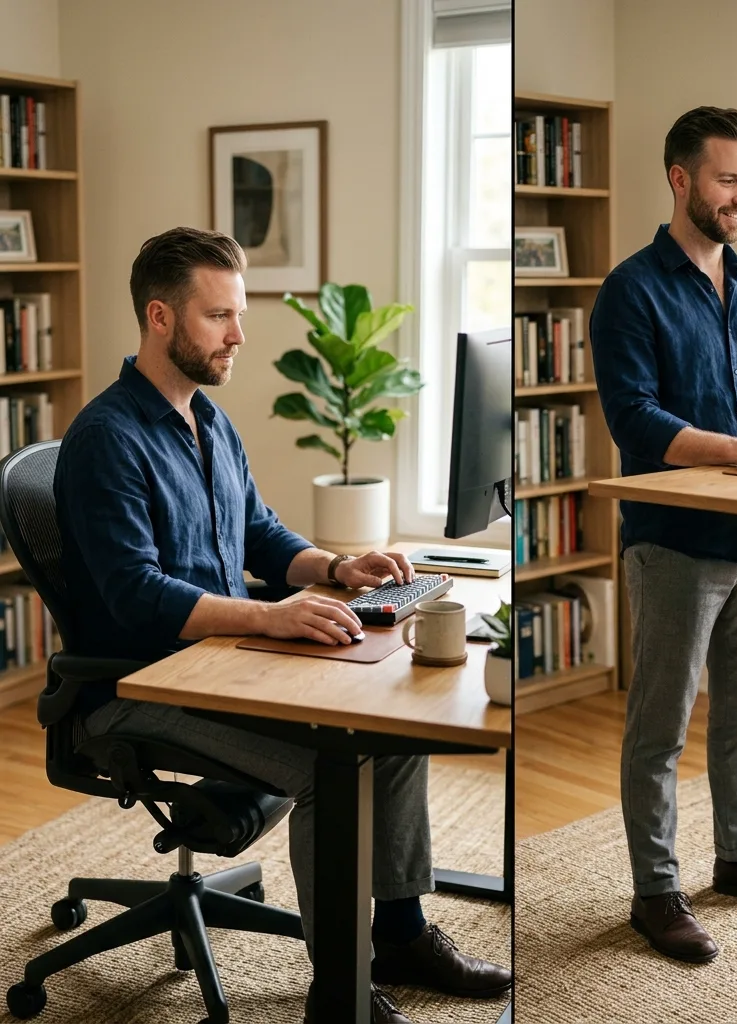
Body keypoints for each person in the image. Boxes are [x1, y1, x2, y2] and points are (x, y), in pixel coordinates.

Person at [54, 226, 511, 1023]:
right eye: (218, 316)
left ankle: (399, 933)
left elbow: (260, 533)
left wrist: (336, 568)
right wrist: (274, 613)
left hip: (223, 657)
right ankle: (339, 993)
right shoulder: (106, 440)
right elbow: (136, 596)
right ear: (160, 319)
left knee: (391, 730)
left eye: (238, 314)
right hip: (140, 682)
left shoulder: (206, 418)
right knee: (329, 767)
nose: (238, 335)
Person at [589, 107, 737, 965]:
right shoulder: (630, 289)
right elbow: (636, 419)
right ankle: (656, 893)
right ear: (681, 178)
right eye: (729, 181)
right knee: (658, 730)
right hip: (675, 542)